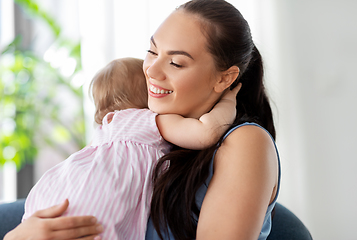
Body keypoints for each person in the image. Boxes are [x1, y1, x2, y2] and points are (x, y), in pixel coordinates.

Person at [4, 0, 280, 240]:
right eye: (152, 52)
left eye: (176, 63)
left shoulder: (245, 143)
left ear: (225, 78)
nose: (151, 70)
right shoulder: (145, 137)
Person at [20, 57, 239, 240]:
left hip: (54, 199)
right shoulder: (148, 119)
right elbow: (206, 132)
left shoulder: (106, 129)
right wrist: (228, 101)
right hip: (97, 213)